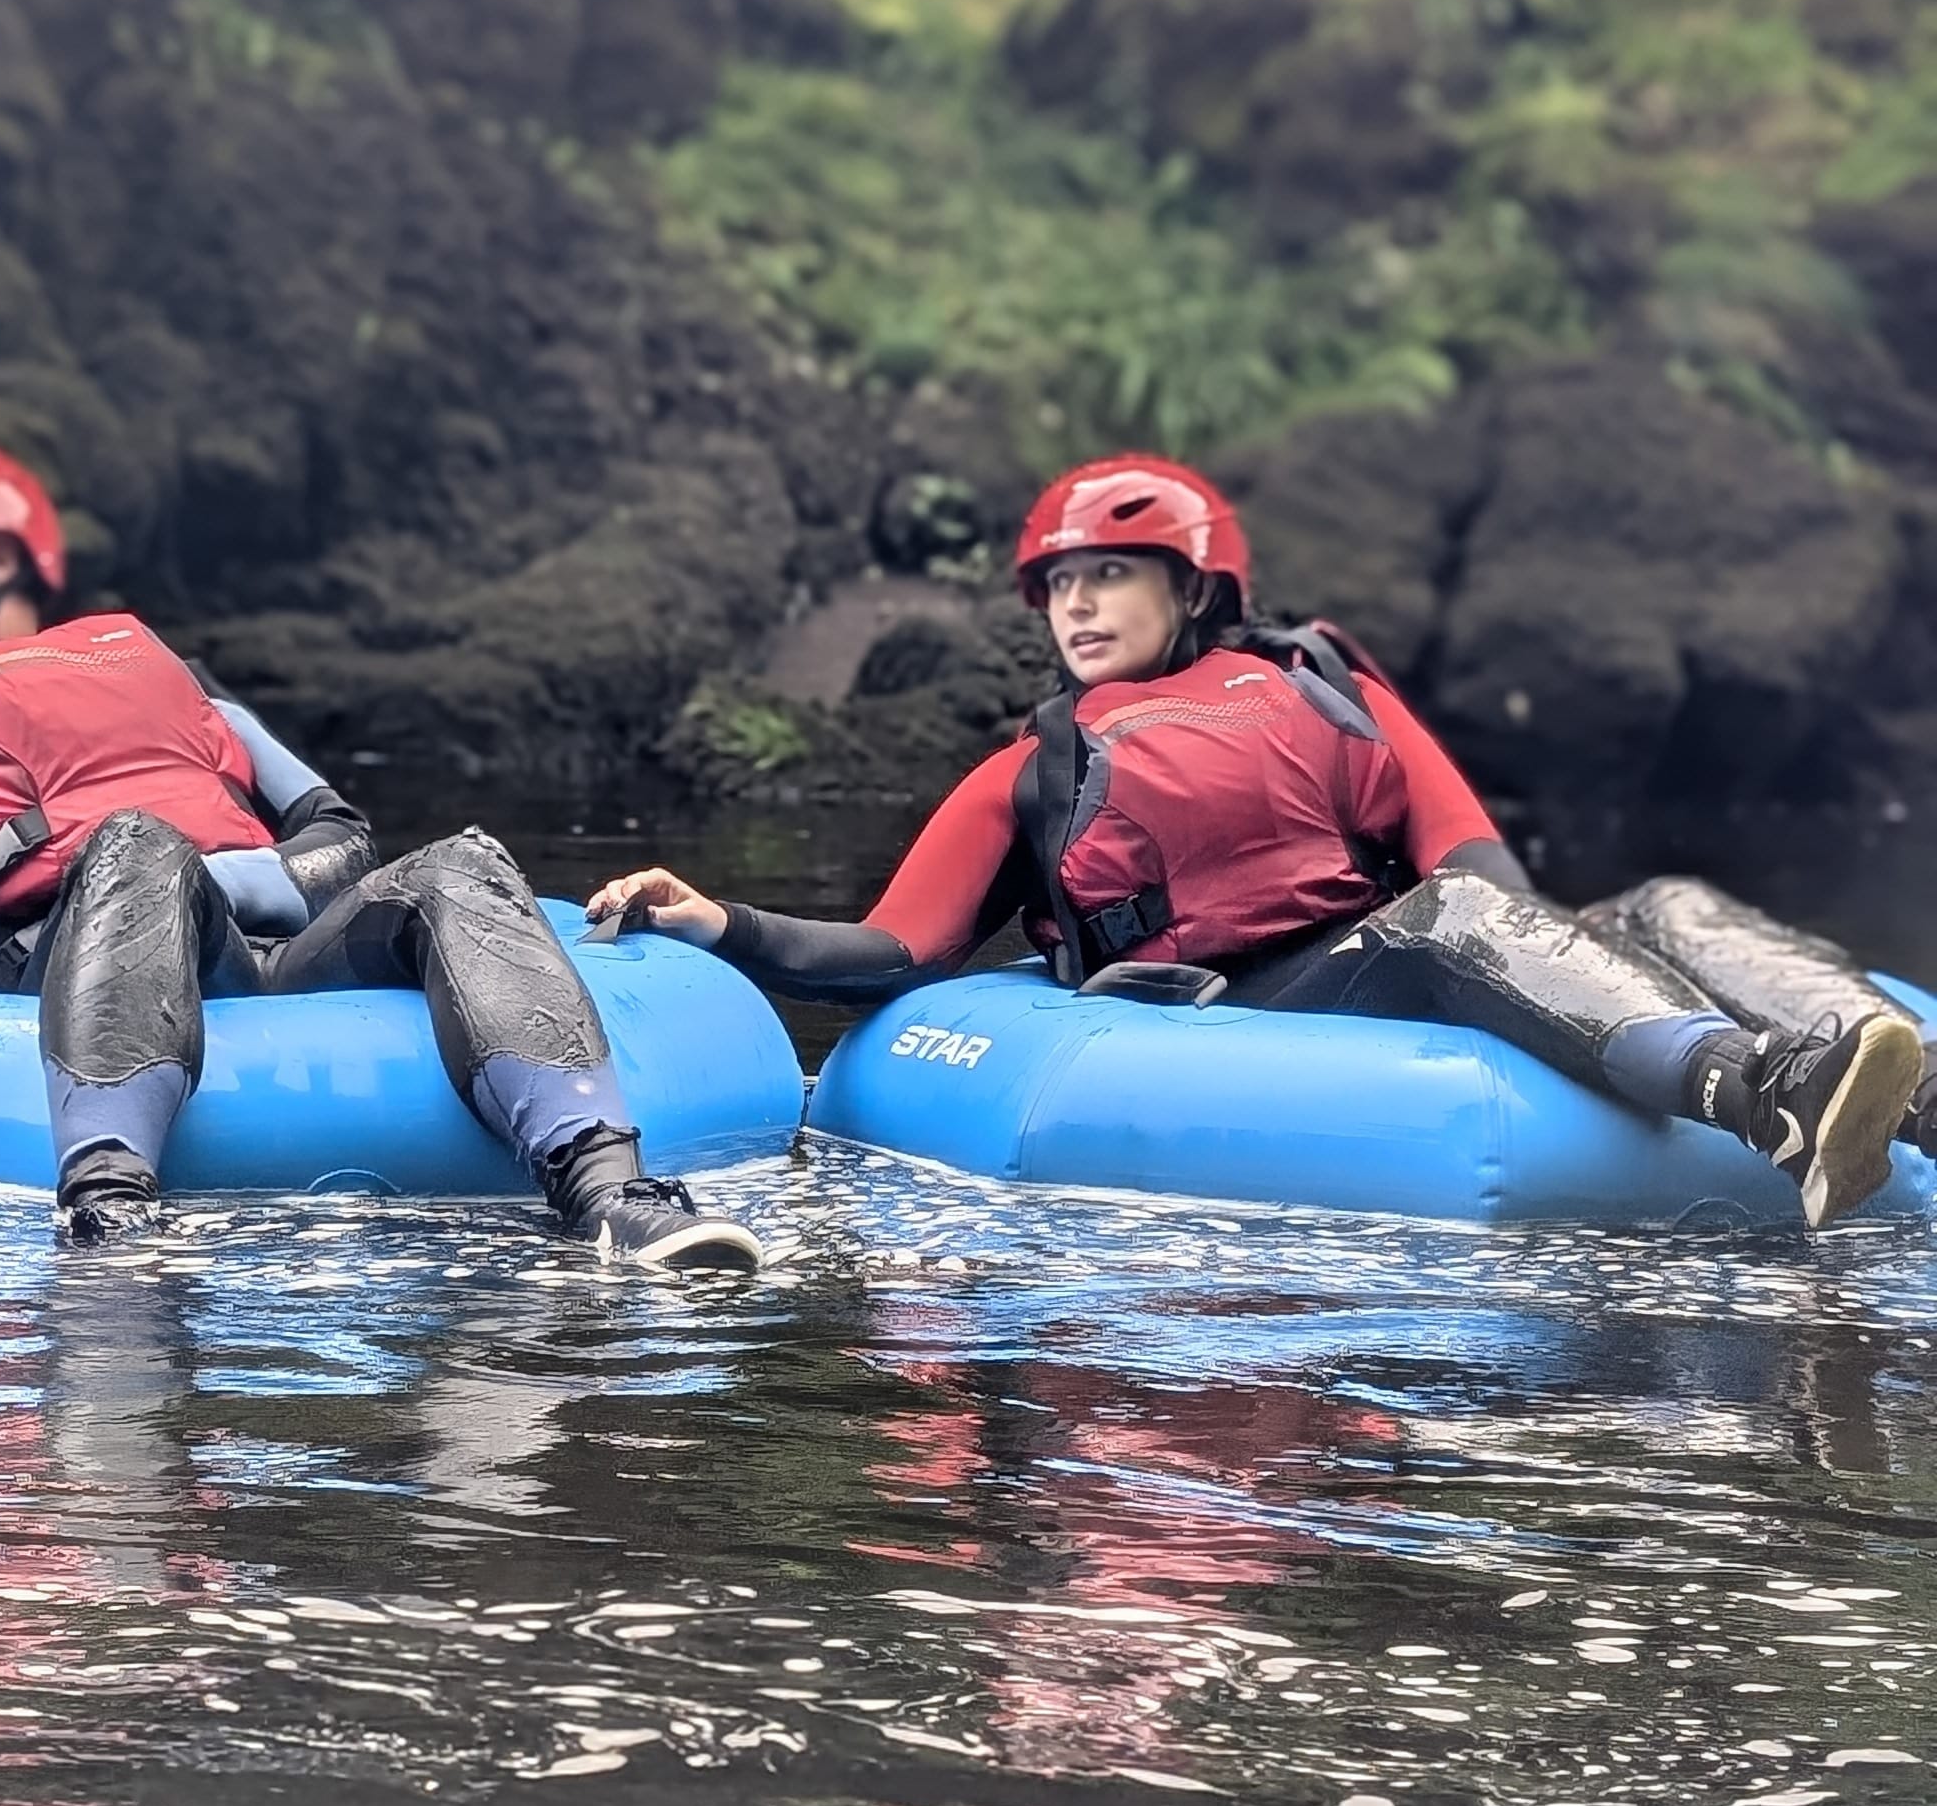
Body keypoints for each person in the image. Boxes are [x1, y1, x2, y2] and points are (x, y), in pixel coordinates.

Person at [587, 452, 1930, 1229]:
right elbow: (894, 947)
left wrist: (1579, 975)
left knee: (1676, 905)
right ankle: (1766, 1100)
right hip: (1249, 996)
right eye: (1060, 585)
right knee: (1445, 929)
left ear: (1194, 586)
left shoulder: (1322, 683)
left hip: (1415, 948)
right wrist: (720, 923)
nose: (1078, 605)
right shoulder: (1033, 763)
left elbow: (1476, 864)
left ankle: (1902, 1100)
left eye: (1109, 575)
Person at [0, 434, 762, 1268]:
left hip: (255, 949)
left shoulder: (170, 684)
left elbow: (341, 834)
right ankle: (109, 1218)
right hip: (62, 968)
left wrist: (215, 891)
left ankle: (612, 1198)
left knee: (462, 858)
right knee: (135, 843)